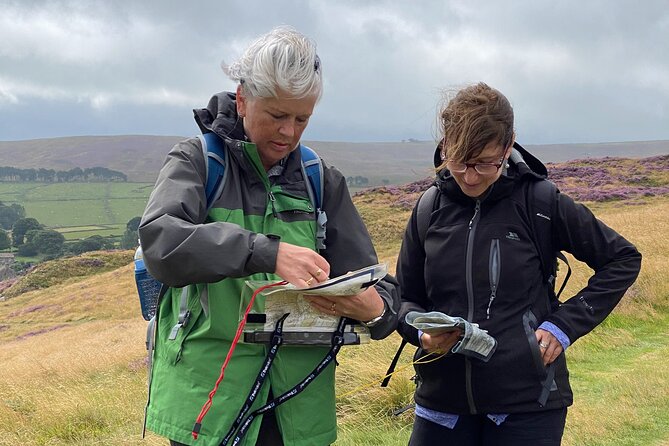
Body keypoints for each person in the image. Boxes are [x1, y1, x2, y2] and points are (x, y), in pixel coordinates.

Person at [138, 26, 398, 446]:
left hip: (296, 411)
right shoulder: (196, 162)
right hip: (208, 404)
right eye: (277, 115)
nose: (289, 133)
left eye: (302, 119)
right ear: (242, 99)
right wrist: (265, 252)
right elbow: (161, 243)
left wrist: (376, 308)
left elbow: (375, 283)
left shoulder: (320, 180)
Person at [395, 82, 641, 445]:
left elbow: (622, 259)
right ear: (445, 145)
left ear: (509, 146)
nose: (471, 176)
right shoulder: (429, 208)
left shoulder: (540, 201)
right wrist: (420, 332)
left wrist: (563, 327)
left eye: (485, 163)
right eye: (460, 161)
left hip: (528, 406)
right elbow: (404, 299)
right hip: (441, 407)